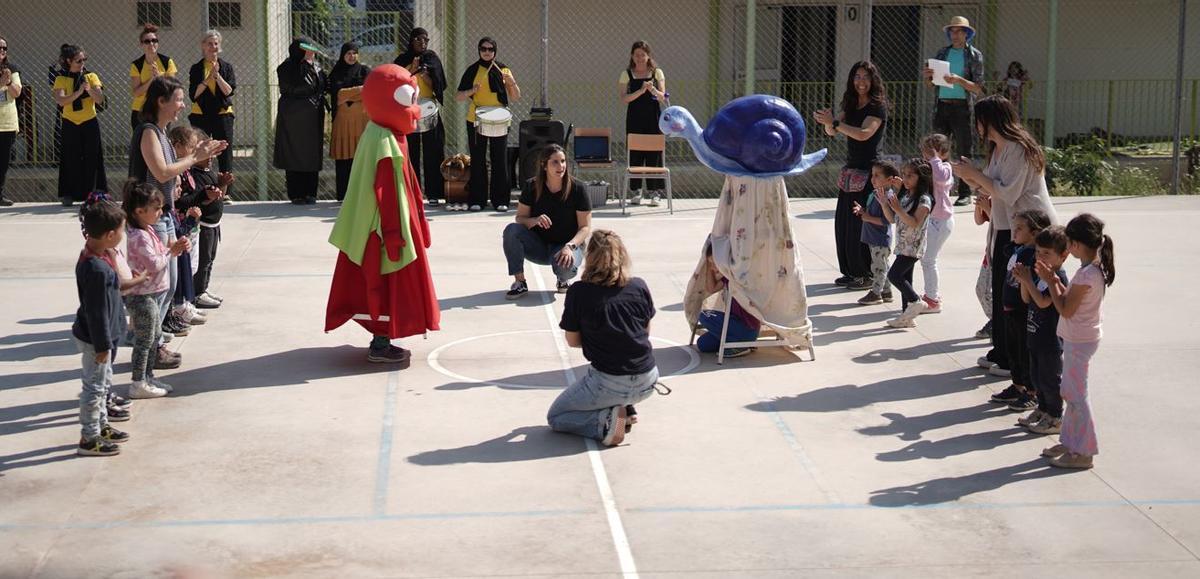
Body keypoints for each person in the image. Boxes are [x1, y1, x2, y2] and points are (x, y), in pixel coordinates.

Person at [325, 64, 440, 364]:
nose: (414, 109)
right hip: (381, 231)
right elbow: (385, 192)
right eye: (407, 99)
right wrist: (393, 234)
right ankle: (380, 342)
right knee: (383, 285)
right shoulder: (383, 140)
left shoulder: (381, 133)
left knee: (380, 285)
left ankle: (381, 339)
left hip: (381, 228)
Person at [954, 95, 1056, 378]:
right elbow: (991, 185)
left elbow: (1007, 192)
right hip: (1005, 228)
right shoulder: (999, 148)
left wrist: (975, 174)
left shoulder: (1019, 149)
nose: (977, 127)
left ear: (991, 121)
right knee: (1001, 293)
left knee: (1014, 297)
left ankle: (1015, 360)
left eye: (979, 120)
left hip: (1029, 231)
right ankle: (1001, 350)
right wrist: (967, 175)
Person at [130, 76, 226, 368]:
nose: (182, 105)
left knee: (169, 286)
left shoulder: (161, 130)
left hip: (166, 213)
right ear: (161, 101)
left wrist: (199, 159)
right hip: (151, 218)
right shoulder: (148, 131)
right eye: (179, 99)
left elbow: (169, 174)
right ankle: (150, 347)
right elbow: (160, 172)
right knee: (159, 287)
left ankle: (155, 342)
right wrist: (195, 157)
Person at [547, 230, 658, 447]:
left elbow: (573, 341)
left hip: (609, 381)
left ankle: (604, 423)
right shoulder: (639, 286)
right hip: (648, 379)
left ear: (590, 258)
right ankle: (626, 408)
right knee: (613, 369)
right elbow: (645, 332)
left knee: (557, 417)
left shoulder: (579, 292)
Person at [1039, 213, 1115, 470]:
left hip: (1080, 340)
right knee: (1070, 392)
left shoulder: (1086, 276)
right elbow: (1069, 301)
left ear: (1076, 245)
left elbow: (1065, 309)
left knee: (1076, 396)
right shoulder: (1089, 270)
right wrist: (1056, 282)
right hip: (1079, 337)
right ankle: (1071, 441)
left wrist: (1051, 283)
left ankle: (1084, 451)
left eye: (1069, 242)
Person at [813, 61, 888, 291]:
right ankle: (851, 271)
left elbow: (864, 134)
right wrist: (829, 123)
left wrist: (835, 123)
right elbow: (833, 130)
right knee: (844, 223)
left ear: (873, 80)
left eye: (865, 77)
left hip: (869, 173)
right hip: (851, 171)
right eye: (857, 77)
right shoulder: (852, 103)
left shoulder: (877, 107)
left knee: (861, 225)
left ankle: (865, 273)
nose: (861, 82)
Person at [74, 200, 137, 456]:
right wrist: (102, 346)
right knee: (95, 388)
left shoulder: (96, 254)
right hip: (97, 340)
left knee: (104, 382)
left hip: (104, 337)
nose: (123, 236)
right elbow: (96, 311)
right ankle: (89, 438)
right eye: (122, 231)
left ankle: (101, 426)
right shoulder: (96, 268)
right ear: (110, 235)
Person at [122, 180, 189, 399]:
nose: (161, 213)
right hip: (142, 297)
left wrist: (176, 247)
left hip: (152, 294)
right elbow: (154, 263)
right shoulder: (138, 236)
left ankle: (148, 376)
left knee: (154, 337)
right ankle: (138, 381)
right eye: (156, 209)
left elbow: (162, 250)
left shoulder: (147, 229)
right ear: (139, 211)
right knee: (144, 341)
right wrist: (172, 253)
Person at [502, 144, 591, 298]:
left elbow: (585, 228)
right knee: (511, 230)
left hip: (565, 247)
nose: (560, 166)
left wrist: (569, 246)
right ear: (544, 165)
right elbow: (520, 218)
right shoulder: (531, 186)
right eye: (555, 162)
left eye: (563, 161)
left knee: (565, 267)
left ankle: (563, 280)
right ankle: (520, 282)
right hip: (539, 246)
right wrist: (534, 220)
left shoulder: (578, 188)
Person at [990, 209, 1051, 413]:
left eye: (1019, 228)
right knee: (1013, 350)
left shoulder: (1034, 256)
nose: (1014, 231)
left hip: (1022, 310)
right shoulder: (1018, 249)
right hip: (1010, 310)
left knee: (1025, 354)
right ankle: (1017, 385)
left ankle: (1031, 391)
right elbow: (1007, 250)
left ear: (1034, 233)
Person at [1012, 225, 1069, 435]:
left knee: (1050, 380)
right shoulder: (1039, 274)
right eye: (1038, 252)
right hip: (1035, 335)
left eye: (1047, 253)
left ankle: (1055, 416)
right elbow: (1027, 299)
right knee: (1036, 378)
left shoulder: (1057, 277)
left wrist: (1029, 280)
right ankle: (1043, 409)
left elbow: (1044, 302)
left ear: (1063, 255)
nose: (1040, 257)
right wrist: (1023, 281)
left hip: (1050, 340)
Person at [923, 15, 985, 206]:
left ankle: (965, 192)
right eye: (952, 31)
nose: (955, 34)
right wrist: (927, 77)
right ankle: (937, 189)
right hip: (942, 105)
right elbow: (932, 85)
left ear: (967, 34)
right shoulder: (942, 53)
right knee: (936, 149)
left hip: (962, 108)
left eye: (959, 31)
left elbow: (978, 87)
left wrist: (958, 80)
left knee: (964, 149)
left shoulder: (975, 55)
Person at [456, 36, 520, 212]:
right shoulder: (473, 70)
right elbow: (458, 96)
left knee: (499, 159)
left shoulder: (503, 69)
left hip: (499, 118)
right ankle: (477, 199)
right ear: (479, 50)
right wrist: (472, 90)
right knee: (478, 159)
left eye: (490, 49)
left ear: (495, 51)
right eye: (483, 49)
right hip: (476, 118)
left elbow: (516, 96)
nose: (486, 52)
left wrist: (511, 83)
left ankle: (500, 200)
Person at [176, 126, 232, 309]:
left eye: (212, 154)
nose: (209, 157)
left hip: (215, 223)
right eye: (205, 152)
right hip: (204, 225)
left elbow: (218, 196)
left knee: (209, 259)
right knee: (201, 261)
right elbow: (196, 201)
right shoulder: (191, 175)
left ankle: (203, 289)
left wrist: (222, 185)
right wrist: (206, 197)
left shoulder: (209, 172)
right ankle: (197, 292)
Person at [395, 28, 446, 207]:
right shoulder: (402, 60)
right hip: (408, 110)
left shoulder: (432, 59)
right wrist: (412, 70)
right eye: (419, 39)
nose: (423, 42)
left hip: (428, 109)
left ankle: (434, 193)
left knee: (433, 151)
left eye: (426, 39)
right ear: (411, 40)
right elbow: (396, 82)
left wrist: (425, 75)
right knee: (410, 152)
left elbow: (439, 85)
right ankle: (411, 192)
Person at [880, 158, 933, 328]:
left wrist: (898, 208)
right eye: (904, 175)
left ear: (921, 178)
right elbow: (893, 219)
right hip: (902, 246)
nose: (906, 179)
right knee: (905, 279)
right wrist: (884, 205)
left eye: (910, 175)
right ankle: (907, 316)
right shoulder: (906, 196)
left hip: (913, 247)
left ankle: (916, 301)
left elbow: (915, 222)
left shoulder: (924, 200)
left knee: (894, 275)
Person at [53, 44, 107, 207]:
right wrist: (77, 93)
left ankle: (95, 193)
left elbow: (99, 99)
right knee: (70, 157)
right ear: (69, 61)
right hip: (70, 122)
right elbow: (61, 100)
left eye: (84, 59)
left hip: (89, 121)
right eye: (78, 60)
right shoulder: (61, 78)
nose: (82, 63)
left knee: (93, 157)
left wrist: (89, 90)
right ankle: (69, 193)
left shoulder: (91, 77)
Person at [275, 37, 327, 205]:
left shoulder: (315, 66)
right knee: (294, 153)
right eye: (306, 49)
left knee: (311, 154)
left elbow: (322, 86)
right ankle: (296, 193)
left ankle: (310, 192)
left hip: (312, 117)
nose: (310, 52)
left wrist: (312, 67)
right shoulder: (287, 67)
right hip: (293, 117)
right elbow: (293, 88)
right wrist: (307, 67)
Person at [619, 40, 668, 207]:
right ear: (632, 56)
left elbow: (663, 97)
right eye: (636, 54)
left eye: (643, 55)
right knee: (636, 154)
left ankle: (655, 193)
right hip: (635, 120)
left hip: (654, 120)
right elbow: (624, 98)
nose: (640, 58)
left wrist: (652, 89)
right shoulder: (627, 74)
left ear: (648, 56)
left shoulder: (657, 73)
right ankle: (637, 191)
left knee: (654, 155)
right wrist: (640, 91)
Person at [695, 239, 758, 358]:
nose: (713, 268)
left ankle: (741, 344)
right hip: (736, 326)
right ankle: (736, 342)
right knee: (702, 344)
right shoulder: (726, 277)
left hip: (746, 328)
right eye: (711, 264)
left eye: (714, 263)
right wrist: (708, 267)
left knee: (704, 315)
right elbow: (711, 288)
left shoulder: (735, 277)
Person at [188, 30, 236, 181]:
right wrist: (208, 79)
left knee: (225, 152)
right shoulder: (196, 68)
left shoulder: (226, 67)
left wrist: (218, 76)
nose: (213, 47)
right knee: (200, 150)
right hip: (201, 114)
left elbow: (229, 91)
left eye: (216, 44)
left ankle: (226, 190)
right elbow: (194, 95)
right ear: (203, 46)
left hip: (223, 114)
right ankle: (199, 185)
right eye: (209, 44)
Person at [328, 42, 370, 203]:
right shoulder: (336, 72)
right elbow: (337, 94)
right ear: (342, 55)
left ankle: (362, 195)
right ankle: (343, 196)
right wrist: (358, 90)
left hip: (362, 122)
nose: (352, 56)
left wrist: (347, 93)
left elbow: (368, 91)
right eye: (348, 54)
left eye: (354, 53)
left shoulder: (365, 70)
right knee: (344, 158)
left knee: (361, 158)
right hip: (343, 121)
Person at [852, 160, 897, 306]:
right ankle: (886, 291)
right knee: (882, 265)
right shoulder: (876, 193)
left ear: (889, 180)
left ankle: (876, 293)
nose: (873, 178)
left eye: (877, 175)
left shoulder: (887, 196)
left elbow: (886, 220)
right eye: (872, 175)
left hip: (880, 239)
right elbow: (871, 214)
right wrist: (863, 212)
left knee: (878, 267)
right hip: (873, 237)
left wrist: (867, 217)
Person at [919, 134, 954, 313]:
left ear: (944, 152)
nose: (927, 155)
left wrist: (934, 159)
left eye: (932, 151)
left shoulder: (945, 167)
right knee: (927, 259)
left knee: (928, 260)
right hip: (933, 220)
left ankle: (932, 299)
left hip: (941, 221)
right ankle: (931, 295)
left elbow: (940, 177)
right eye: (926, 151)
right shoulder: (930, 166)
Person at [129, 23, 178, 131]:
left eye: (154, 40)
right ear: (141, 44)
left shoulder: (167, 62)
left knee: (161, 145)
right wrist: (152, 79)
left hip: (161, 109)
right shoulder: (137, 65)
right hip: (141, 111)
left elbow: (173, 88)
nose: (151, 43)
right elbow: (136, 92)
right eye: (147, 41)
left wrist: (159, 77)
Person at [0, 36, 22, 207]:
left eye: (4, 48)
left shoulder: (11, 69)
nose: (2, 51)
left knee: (3, 162)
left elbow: (17, 93)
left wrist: (7, 82)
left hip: (7, 122)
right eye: (0, 48)